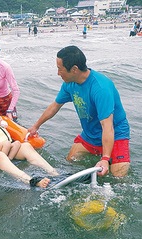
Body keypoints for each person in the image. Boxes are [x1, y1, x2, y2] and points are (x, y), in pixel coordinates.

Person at [28, 46, 130, 178]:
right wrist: (36, 126)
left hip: (115, 134)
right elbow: (55, 106)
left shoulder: (100, 88)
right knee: (70, 161)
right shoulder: (69, 84)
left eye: (60, 69)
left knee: (118, 179)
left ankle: (110, 160)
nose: (58, 73)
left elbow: (107, 126)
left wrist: (105, 158)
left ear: (74, 69)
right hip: (91, 134)